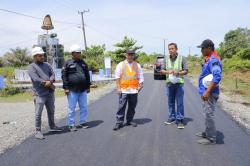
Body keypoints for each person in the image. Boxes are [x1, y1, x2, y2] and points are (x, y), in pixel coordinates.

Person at [28, 46, 61, 140]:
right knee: (38, 113)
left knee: (51, 110)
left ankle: (52, 126)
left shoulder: (47, 64)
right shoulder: (31, 67)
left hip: (50, 92)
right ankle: (38, 131)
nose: (42, 57)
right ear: (34, 56)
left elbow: (52, 74)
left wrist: (50, 81)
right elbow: (35, 78)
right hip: (39, 94)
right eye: (39, 56)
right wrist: (45, 83)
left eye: (43, 55)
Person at [196, 39, 222, 145]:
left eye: (202, 48)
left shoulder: (213, 60)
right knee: (206, 114)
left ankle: (211, 138)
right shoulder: (209, 59)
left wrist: (207, 91)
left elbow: (217, 76)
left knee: (209, 114)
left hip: (210, 93)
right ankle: (207, 133)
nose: (201, 50)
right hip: (207, 92)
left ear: (209, 48)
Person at [62, 44, 91, 132]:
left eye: (80, 53)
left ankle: (83, 122)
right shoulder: (67, 63)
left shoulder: (83, 63)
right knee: (72, 108)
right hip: (72, 90)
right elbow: (64, 76)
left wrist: (88, 86)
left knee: (84, 107)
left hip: (83, 90)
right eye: (77, 53)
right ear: (73, 53)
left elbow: (87, 75)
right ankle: (71, 124)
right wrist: (66, 88)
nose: (79, 54)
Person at [113, 50, 144, 130]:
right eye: (129, 54)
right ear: (126, 55)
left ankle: (129, 120)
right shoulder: (121, 65)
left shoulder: (137, 65)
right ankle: (119, 122)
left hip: (134, 90)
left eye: (132, 55)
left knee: (132, 106)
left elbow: (140, 76)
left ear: (133, 56)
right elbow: (117, 77)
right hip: (124, 90)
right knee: (121, 106)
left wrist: (141, 84)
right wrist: (118, 88)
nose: (130, 56)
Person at [160, 43, 188, 129]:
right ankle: (172, 117)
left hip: (179, 83)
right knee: (170, 102)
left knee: (179, 102)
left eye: (172, 48)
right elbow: (162, 70)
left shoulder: (182, 58)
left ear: (176, 49)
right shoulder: (166, 58)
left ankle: (179, 120)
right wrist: (168, 72)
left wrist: (178, 73)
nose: (170, 50)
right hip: (169, 83)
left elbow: (186, 71)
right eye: (169, 49)